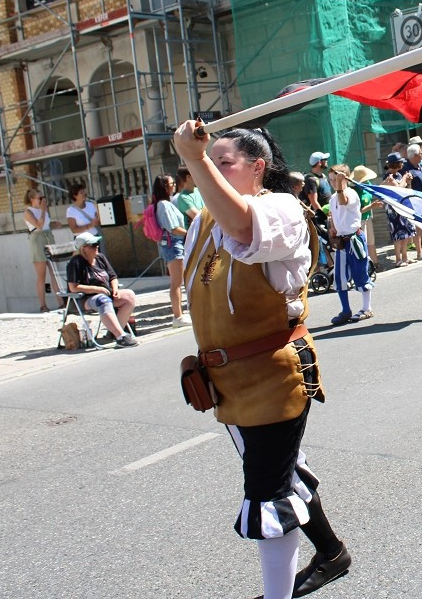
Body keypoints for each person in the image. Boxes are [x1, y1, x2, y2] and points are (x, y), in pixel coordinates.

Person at [172, 122, 350, 599]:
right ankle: (332, 553)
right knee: (283, 472)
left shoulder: (282, 209)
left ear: (258, 168)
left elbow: (243, 227)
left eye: (222, 160)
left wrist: (195, 159)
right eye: (209, 159)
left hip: (272, 377)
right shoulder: (203, 220)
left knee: (269, 496)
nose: (212, 166)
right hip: (226, 381)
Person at [65, 233, 139, 347]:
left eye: (97, 244)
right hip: (84, 299)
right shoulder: (75, 263)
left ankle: (114, 332)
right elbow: (73, 287)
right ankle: (120, 337)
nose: (97, 247)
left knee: (129, 295)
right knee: (102, 300)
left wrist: (115, 289)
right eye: (93, 245)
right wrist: (97, 289)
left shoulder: (100, 258)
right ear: (83, 248)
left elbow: (113, 277)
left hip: (107, 293)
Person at [327, 164, 374, 324]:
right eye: (331, 180)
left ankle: (367, 308)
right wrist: (333, 228)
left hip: (355, 240)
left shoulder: (350, 193)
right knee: (339, 278)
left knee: (360, 273)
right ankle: (345, 310)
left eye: (336, 179)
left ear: (344, 178)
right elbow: (334, 213)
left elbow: (343, 201)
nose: (333, 182)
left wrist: (340, 186)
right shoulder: (333, 197)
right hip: (342, 242)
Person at [152, 174, 191, 328]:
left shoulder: (163, 203)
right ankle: (178, 316)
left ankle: (180, 314)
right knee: (177, 282)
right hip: (173, 243)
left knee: (179, 281)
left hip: (173, 243)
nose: (174, 185)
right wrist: (190, 233)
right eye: (171, 183)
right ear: (164, 186)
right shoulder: (163, 205)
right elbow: (173, 228)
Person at [23, 188, 63, 312]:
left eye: (43, 198)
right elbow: (38, 225)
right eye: (40, 198)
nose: (42, 200)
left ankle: (61, 302)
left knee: (54, 273)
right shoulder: (28, 212)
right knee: (41, 275)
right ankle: (43, 305)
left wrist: (53, 224)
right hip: (37, 240)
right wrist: (43, 209)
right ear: (32, 199)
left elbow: (45, 224)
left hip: (48, 237)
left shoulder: (43, 211)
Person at [381, 152, 416, 266]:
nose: (402, 164)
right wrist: (405, 178)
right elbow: (398, 189)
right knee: (397, 234)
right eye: (400, 162)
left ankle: (405, 257)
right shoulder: (388, 176)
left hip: (401, 206)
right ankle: (398, 259)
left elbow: (405, 189)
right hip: (393, 209)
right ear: (396, 164)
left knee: (405, 233)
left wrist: (408, 181)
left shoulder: (399, 175)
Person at [350, 165, 381, 271]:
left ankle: (375, 263)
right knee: (364, 243)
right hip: (360, 220)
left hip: (368, 217)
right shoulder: (354, 191)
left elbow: (376, 190)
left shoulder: (367, 184)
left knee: (371, 242)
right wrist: (372, 206)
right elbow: (357, 211)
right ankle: (366, 267)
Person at [65, 183, 104, 254]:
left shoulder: (91, 205)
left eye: (84, 191)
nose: (84, 194)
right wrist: (90, 225)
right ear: (75, 196)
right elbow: (74, 229)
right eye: (81, 192)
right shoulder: (71, 210)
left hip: (94, 238)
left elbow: (97, 219)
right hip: (82, 241)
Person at [305, 151, 333, 218]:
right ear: (319, 163)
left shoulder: (323, 176)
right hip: (323, 218)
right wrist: (324, 218)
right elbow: (314, 202)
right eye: (325, 160)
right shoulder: (311, 180)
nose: (326, 161)